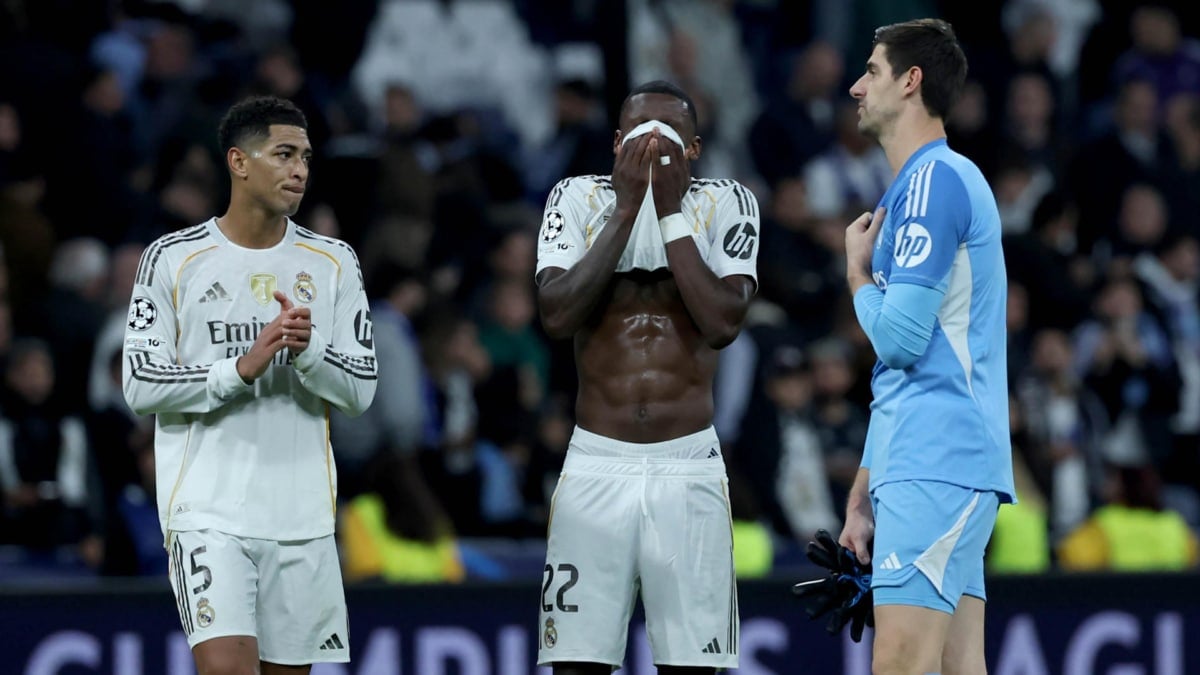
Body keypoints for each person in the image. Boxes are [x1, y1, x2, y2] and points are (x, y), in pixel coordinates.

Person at [122, 96, 377, 674]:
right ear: (238, 162)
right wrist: (239, 369)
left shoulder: (333, 262)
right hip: (209, 511)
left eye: (306, 157)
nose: (300, 170)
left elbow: (361, 389)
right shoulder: (173, 259)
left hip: (302, 519)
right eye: (284, 154)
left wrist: (308, 351)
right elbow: (139, 382)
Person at [535, 80, 759, 674]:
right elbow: (557, 314)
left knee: (692, 667)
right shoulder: (576, 198)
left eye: (670, 140)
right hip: (594, 465)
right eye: (639, 137)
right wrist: (628, 208)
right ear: (615, 144)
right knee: (576, 663)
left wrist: (669, 210)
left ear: (695, 150)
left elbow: (721, 321)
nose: (654, 149)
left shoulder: (727, 201)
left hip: (687, 466)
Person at [837, 20, 1015, 675]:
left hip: (939, 460)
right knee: (958, 667)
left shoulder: (932, 183)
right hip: (934, 458)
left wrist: (856, 274)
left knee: (901, 666)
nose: (856, 87)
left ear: (912, 82)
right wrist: (865, 488)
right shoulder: (918, 185)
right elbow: (900, 368)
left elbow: (902, 340)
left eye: (873, 72)